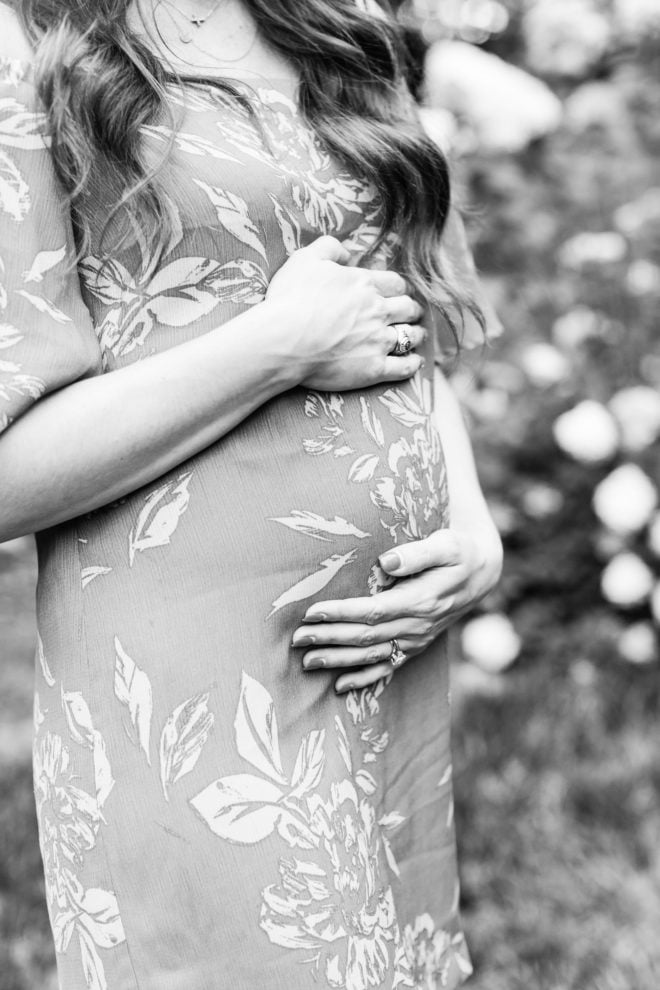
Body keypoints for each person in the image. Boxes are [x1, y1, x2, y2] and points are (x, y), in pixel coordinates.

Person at [0, 0, 503, 987]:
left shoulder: (339, 15)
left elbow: (399, 297)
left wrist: (470, 520)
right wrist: (275, 349)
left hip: (380, 662)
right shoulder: (28, 36)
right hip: (191, 684)